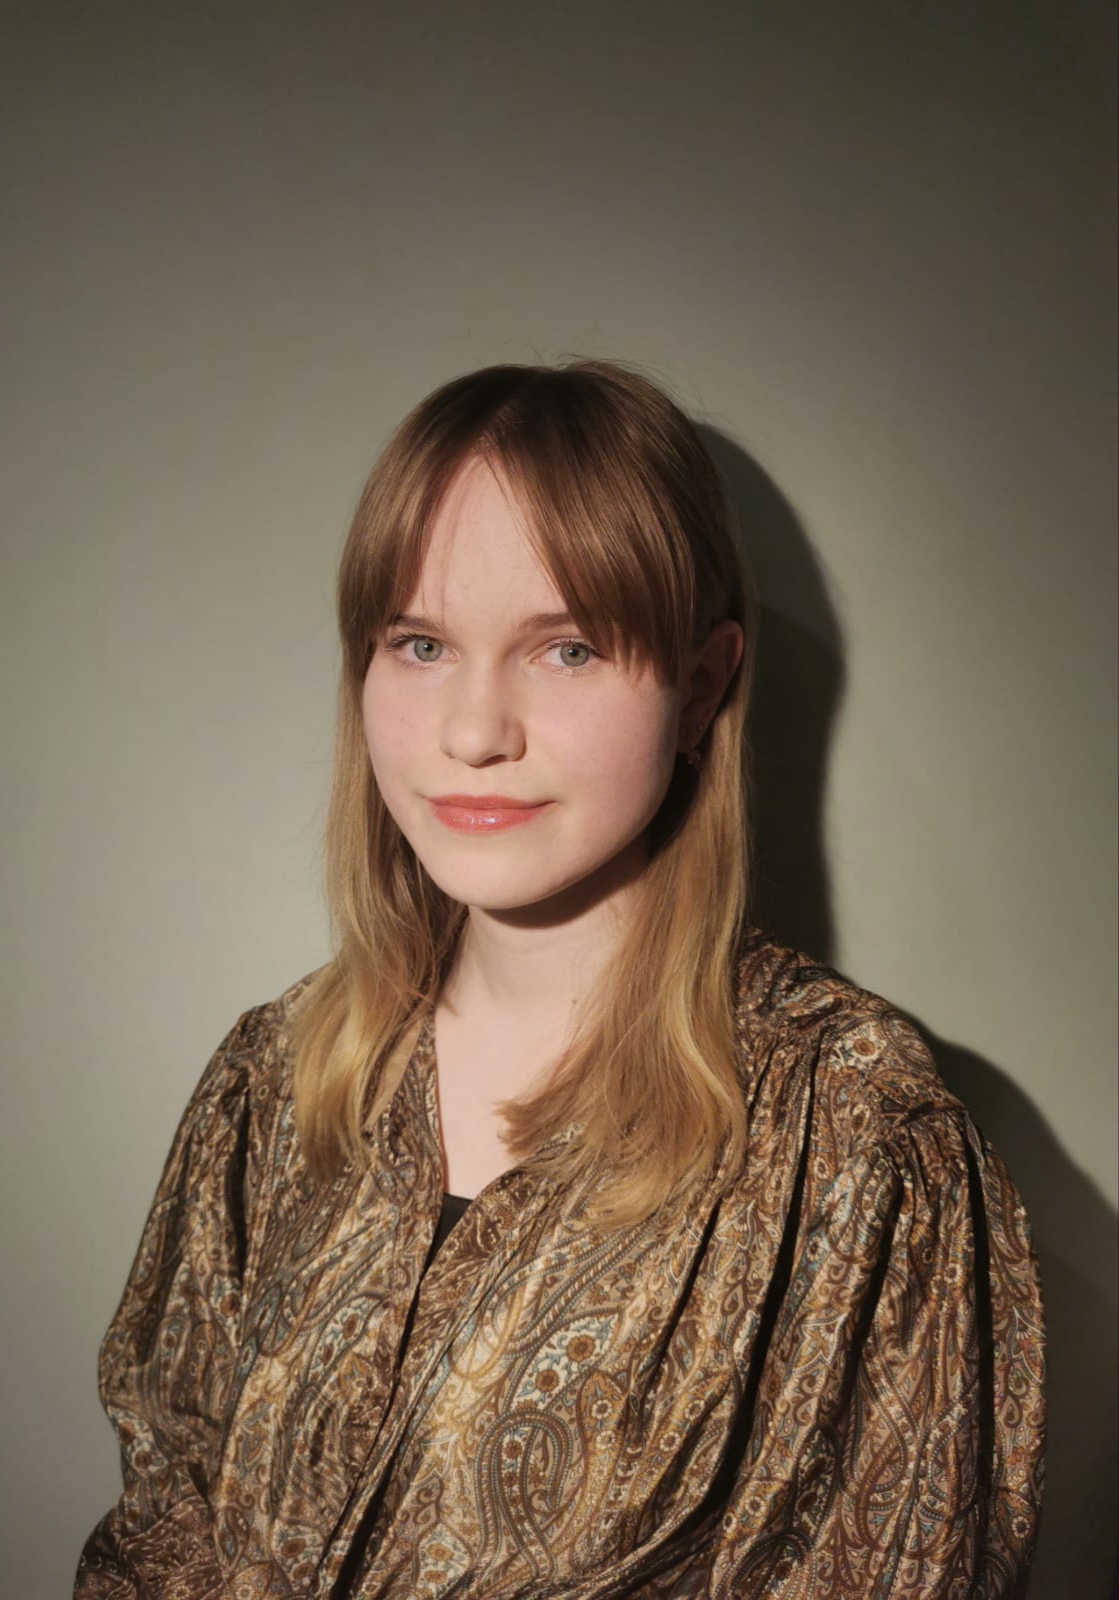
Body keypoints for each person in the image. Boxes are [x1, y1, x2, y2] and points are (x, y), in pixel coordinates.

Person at [74, 361, 1045, 1599]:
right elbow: (160, 1525)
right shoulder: (271, 1082)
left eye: (567, 648)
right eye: (420, 643)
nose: (474, 730)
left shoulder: (857, 1140)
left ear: (700, 687)